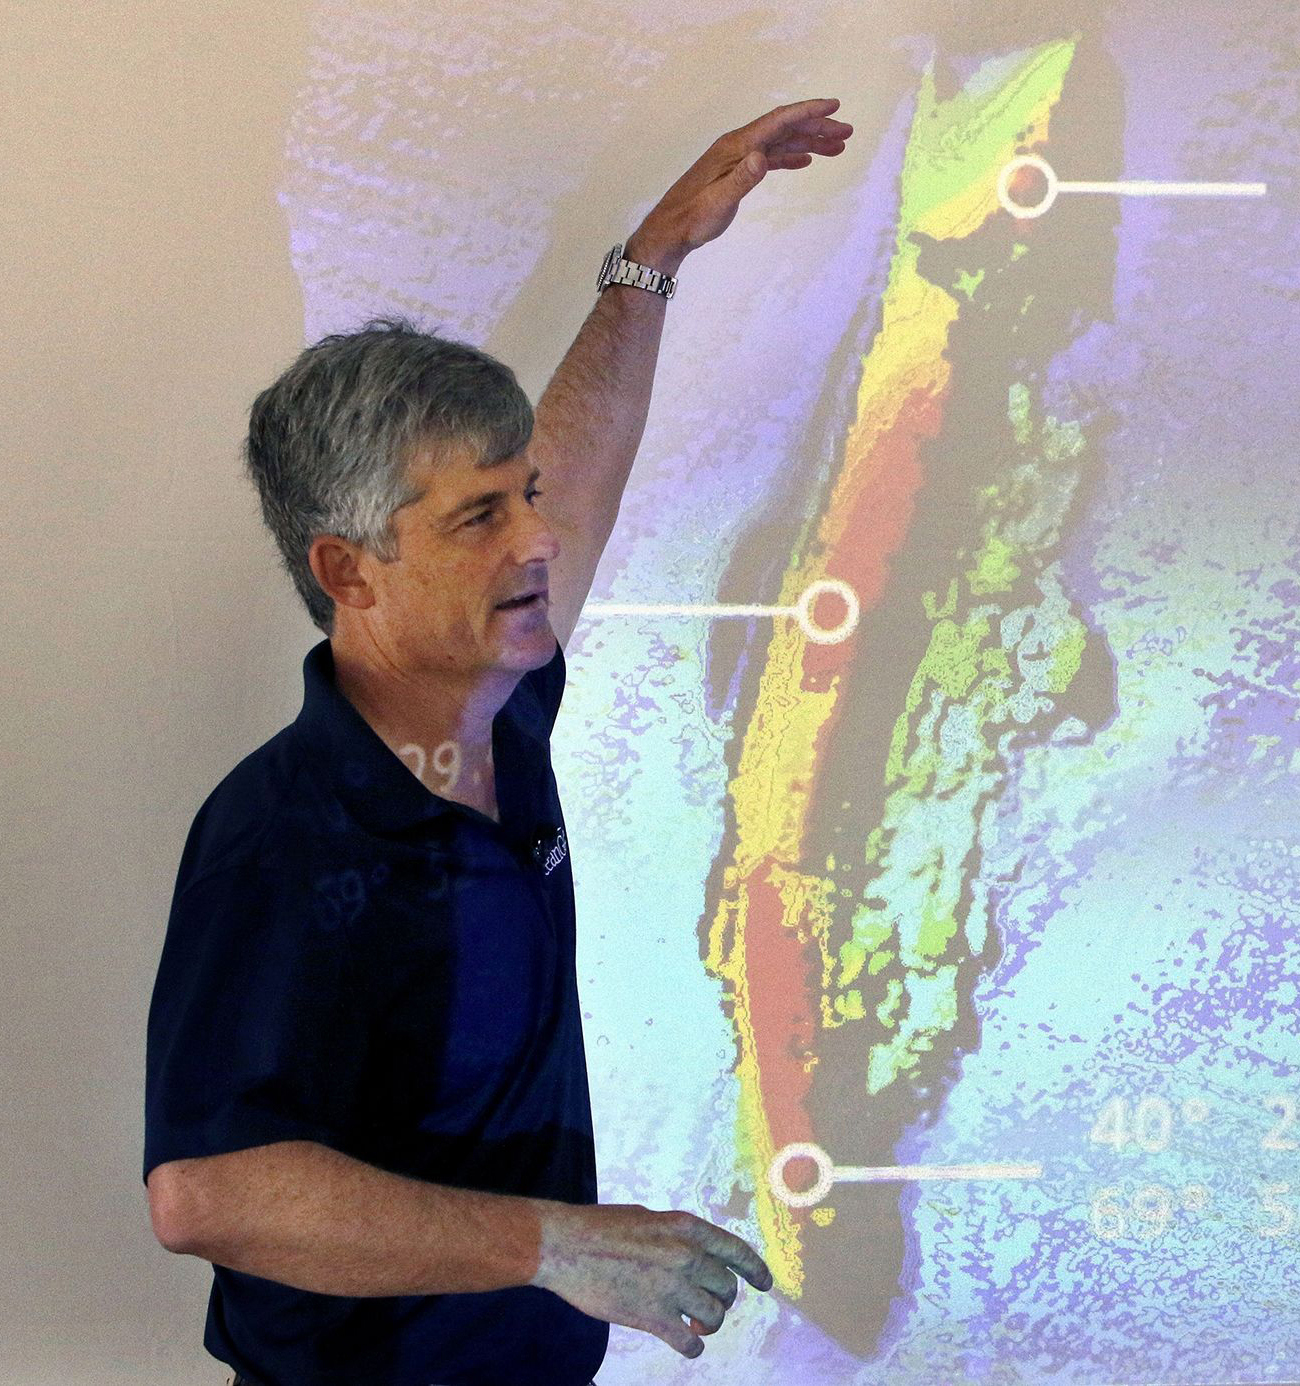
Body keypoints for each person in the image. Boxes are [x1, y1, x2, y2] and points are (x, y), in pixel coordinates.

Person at [141, 98, 854, 1386]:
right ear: (349, 572)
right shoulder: (283, 834)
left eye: (519, 495)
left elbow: (574, 472)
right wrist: (553, 1247)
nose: (538, 536)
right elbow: (208, 1192)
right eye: (481, 518)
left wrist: (649, 266)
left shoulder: (497, 705)